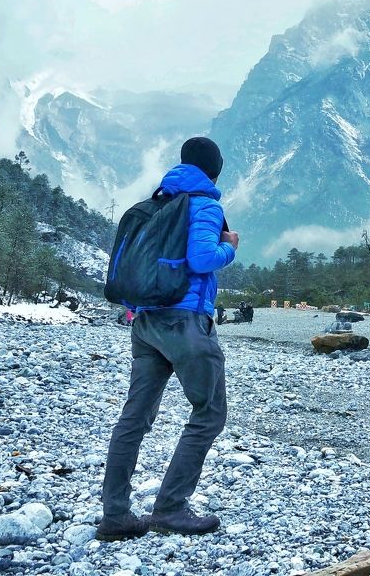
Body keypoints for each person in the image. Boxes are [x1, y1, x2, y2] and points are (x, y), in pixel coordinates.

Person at [98, 137, 239, 541]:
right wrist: (229, 249)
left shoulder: (156, 203)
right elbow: (201, 259)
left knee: (134, 418)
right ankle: (170, 508)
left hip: (145, 323)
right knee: (209, 413)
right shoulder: (205, 205)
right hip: (186, 323)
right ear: (215, 170)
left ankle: (116, 515)